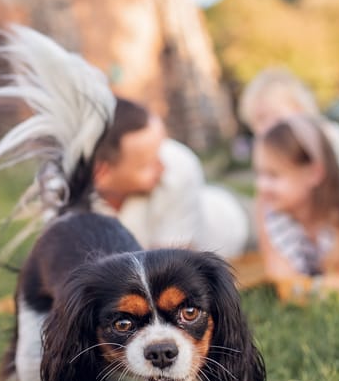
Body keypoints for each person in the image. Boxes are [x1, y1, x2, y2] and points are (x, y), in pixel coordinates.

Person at [93, 97, 252, 259]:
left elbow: (171, 270)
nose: (163, 167)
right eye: (146, 165)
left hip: (232, 225)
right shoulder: (74, 199)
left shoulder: (178, 166)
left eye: (160, 149)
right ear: (100, 174)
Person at [252, 114, 339, 299]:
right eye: (259, 174)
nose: (261, 186)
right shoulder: (269, 211)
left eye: (273, 175)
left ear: (315, 173)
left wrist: (310, 289)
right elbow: (283, 280)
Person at [239, 67, 339, 176]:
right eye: (260, 120)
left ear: (299, 109)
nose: (268, 127)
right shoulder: (276, 155)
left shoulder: (327, 139)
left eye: (275, 116)